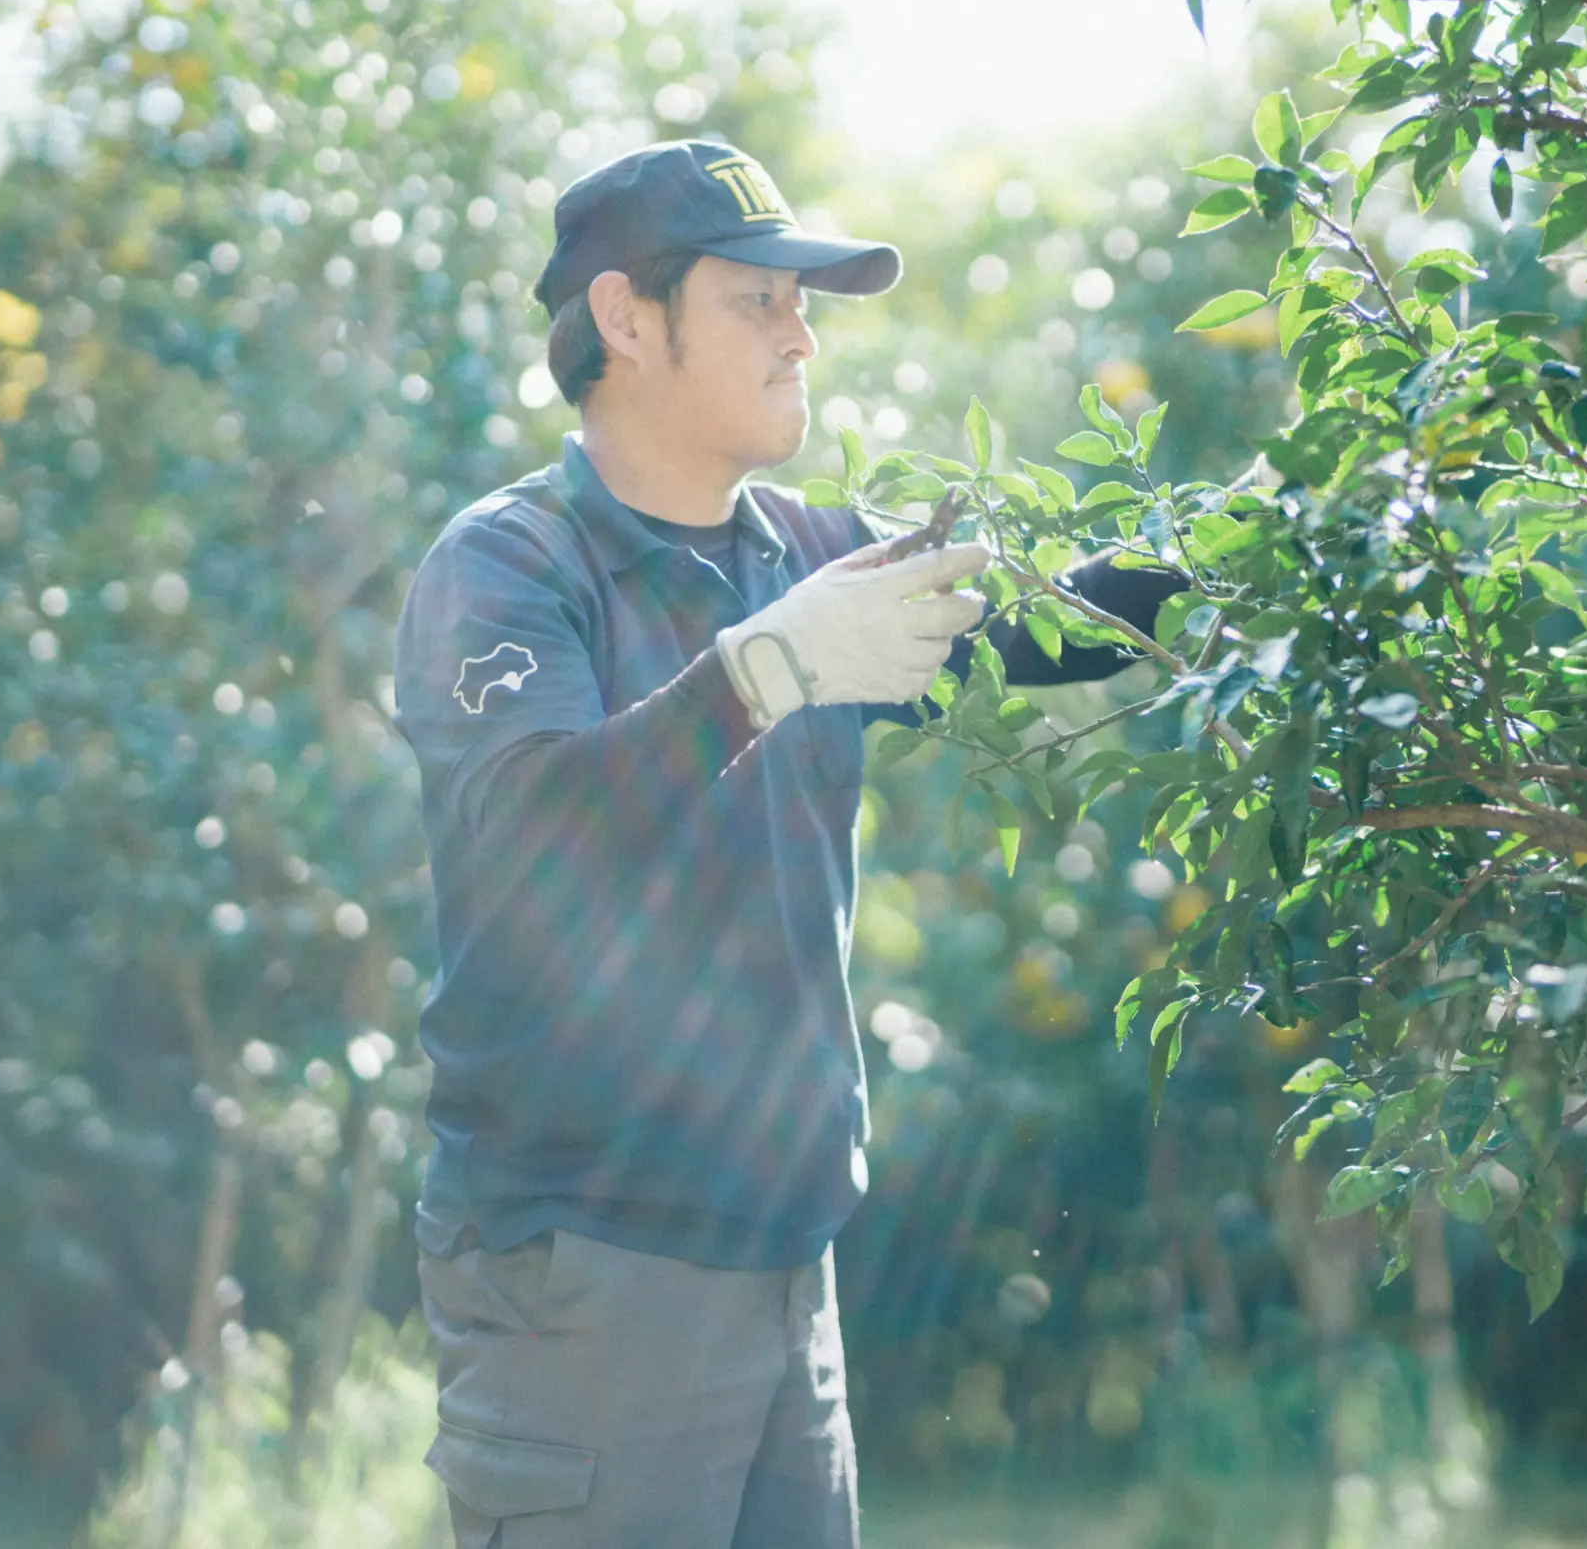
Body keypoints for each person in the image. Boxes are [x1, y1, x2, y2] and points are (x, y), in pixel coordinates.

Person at [391, 137, 1177, 1549]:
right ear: (628, 319)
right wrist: (770, 669)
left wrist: (1287, 542)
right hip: (587, 1275)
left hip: (782, 1265)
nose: (801, 335)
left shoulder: (812, 555)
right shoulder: (508, 567)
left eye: (801, 303)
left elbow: (1049, 622)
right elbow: (531, 832)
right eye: (757, 299)